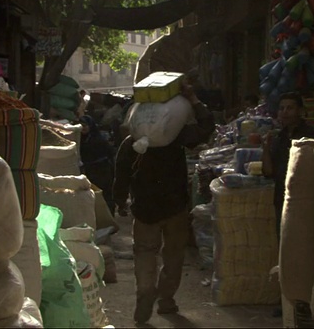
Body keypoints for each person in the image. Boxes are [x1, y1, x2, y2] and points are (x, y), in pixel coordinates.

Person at [112, 77, 215, 324]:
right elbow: (207, 127)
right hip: (175, 207)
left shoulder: (130, 142)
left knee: (145, 252)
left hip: (144, 208)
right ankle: (166, 299)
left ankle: (145, 293)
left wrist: (119, 201)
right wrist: (192, 99)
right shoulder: (177, 134)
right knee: (173, 254)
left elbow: (120, 173)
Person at [261, 91, 314, 242]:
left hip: (307, 199)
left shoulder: (312, 137)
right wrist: (265, 148)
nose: (284, 112)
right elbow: (269, 171)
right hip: (282, 199)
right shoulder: (278, 138)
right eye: (281, 108)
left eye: (290, 108)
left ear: (300, 111)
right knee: (285, 241)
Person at [79, 115, 116, 215]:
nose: (83, 127)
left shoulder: (98, 139)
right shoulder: (79, 140)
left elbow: (110, 153)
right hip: (89, 172)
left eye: (85, 125)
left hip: (102, 171)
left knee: (105, 196)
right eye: (81, 125)